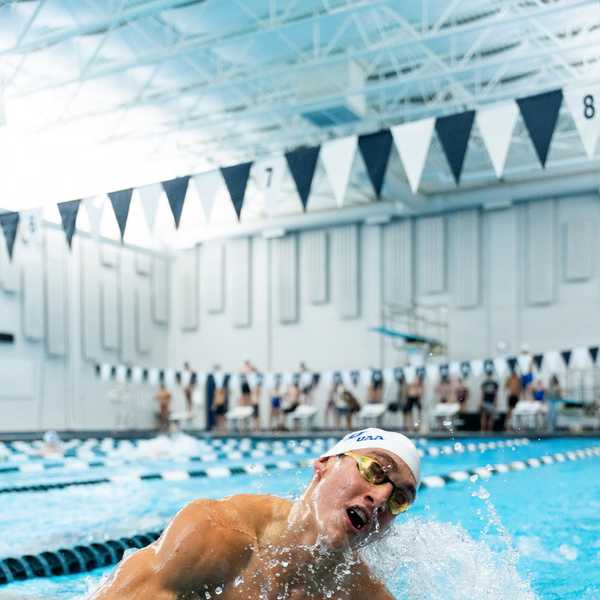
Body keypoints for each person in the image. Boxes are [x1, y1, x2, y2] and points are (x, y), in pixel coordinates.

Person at [89, 428, 420, 600]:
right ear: (324, 465)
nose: (381, 497)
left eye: (399, 500)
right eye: (375, 470)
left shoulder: (359, 593)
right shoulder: (215, 534)